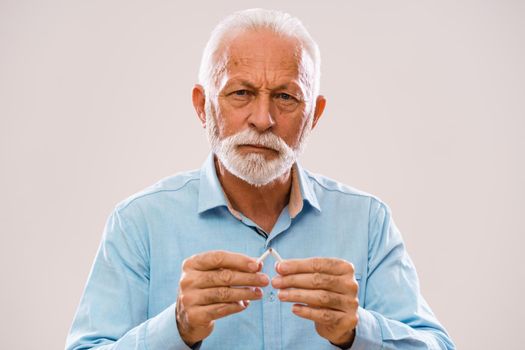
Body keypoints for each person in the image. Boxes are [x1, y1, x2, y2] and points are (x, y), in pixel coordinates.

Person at [66, 8, 455, 350]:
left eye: (286, 97)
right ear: (203, 107)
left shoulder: (368, 222)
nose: (263, 119)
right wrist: (177, 328)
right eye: (241, 93)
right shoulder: (139, 223)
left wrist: (358, 328)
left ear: (314, 115)